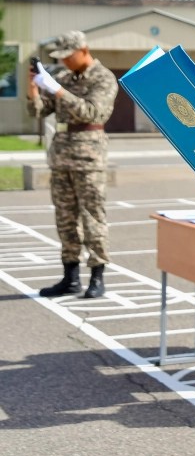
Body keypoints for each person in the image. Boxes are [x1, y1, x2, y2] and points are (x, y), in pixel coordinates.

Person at [27, 31, 118, 300]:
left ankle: (98, 276)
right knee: (65, 218)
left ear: (83, 50)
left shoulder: (103, 78)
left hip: (89, 158)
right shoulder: (65, 79)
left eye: (68, 56)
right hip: (61, 156)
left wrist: (56, 89)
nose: (65, 62)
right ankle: (70, 277)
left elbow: (93, 112)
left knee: (92, 217)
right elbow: (38, 112)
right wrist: (34, 87)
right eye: (61, 57)